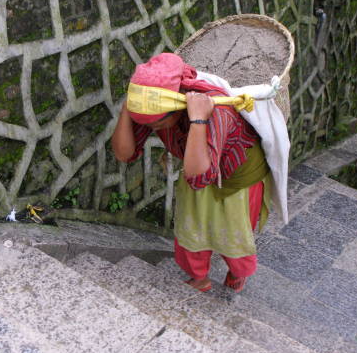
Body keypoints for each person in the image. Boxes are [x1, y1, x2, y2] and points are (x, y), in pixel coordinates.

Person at [111, 53, 271, 292]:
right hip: (198, 163)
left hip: (238, 179)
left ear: (177, 108)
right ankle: (199, 277)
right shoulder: (159, 110)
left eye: (156, 124)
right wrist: (128, 108)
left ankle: (238, 274)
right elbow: (124, 153)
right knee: (190, 227)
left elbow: (199, 178)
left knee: (234, 233)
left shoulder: (219, 109)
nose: (152, 129)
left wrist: (198, 120)